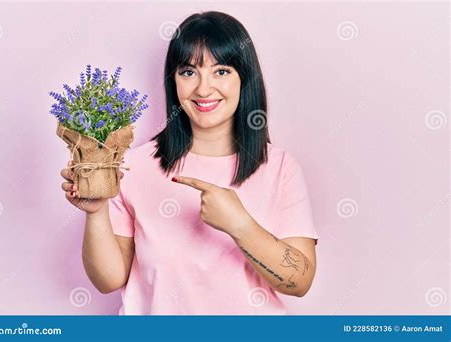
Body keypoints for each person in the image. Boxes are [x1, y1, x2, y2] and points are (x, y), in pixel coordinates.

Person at [60, 11, 319, 315]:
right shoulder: (134, 166)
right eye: (188, 72)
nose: (203, 89)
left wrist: (240, 225)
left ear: (245, 79)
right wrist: (96, 211)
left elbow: (299, 282)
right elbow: (109, 280)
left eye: (221, 71)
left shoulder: (279, 168)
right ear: (173, 80)